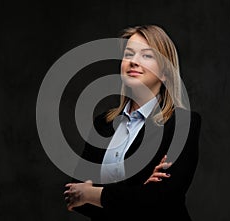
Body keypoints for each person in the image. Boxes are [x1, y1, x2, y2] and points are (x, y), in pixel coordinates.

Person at [64, 24, 202, 221]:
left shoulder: (182, 124)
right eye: (128, 54)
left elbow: (161, 200)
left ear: (165, 73)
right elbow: (73, 195)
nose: (133, 62)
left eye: (146, 55)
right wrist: (138, 192)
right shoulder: (103, 124)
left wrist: (91, 193)